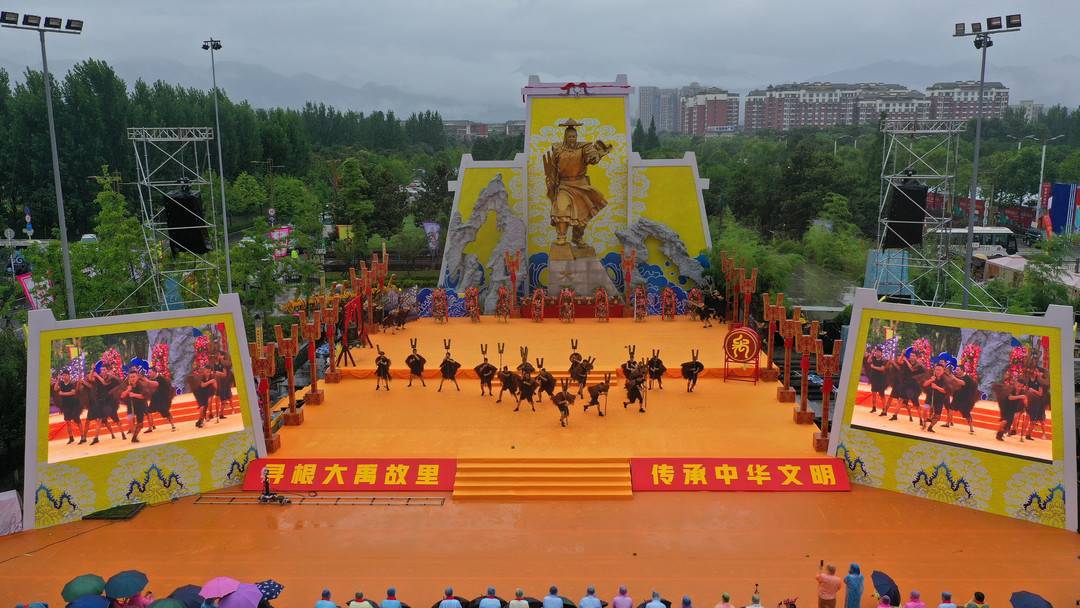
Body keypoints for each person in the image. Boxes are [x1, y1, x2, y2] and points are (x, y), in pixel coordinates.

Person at [54, 369, 83, 444]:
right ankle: (71, 437)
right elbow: (55, 389)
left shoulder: (72, 383)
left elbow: (73, 393)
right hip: (65, 405)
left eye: (65, 375)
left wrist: (62, 393)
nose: (64, 377)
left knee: (77, 420)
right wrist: (57, 380)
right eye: (63, 375)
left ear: (69, 376)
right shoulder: (61, 383)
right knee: (68, 422)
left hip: (74, 405)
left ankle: (82, 437)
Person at [147, 365, 177, 432]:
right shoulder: (150, 379)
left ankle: (173, 425)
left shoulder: (161, 378)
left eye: (150, 372)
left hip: (163, 399)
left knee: (165, 412)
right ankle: (150, 427)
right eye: (149, 372)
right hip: (155, 399)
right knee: (148, 411)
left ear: (155, 372)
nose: (149, 374)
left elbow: (156, 384)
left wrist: (146, 381)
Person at [865, 347, 887, 414]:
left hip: (881, 380)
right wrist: (872, 353)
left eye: (878, 352)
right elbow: (868, 361)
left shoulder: (883, 360)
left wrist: (873, 367)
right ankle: (874, 407)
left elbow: (882, 369)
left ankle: (884, 410)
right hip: (874, 379)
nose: (877, 353)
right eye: (876, 351)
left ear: (881, 353)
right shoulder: (873, 358)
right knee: (873, 394)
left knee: (882, 395)